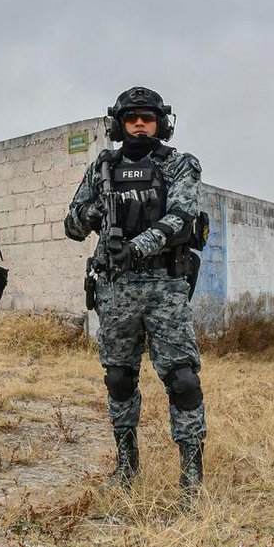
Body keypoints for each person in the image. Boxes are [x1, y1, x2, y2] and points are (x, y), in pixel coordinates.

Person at [64, 86, 207, 506]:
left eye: (147, 117)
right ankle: (126, 466)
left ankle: (191, 476)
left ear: (161, 123)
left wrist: (136, 246)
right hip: (116, 289)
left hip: (164, 286)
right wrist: (98, 211)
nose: (140, 124)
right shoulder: (101, 168)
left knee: (181, 380)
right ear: (119, 124)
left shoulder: (179, 164)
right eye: (132, 118)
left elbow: (182, 218)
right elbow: (72, 224)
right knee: (119, 378)